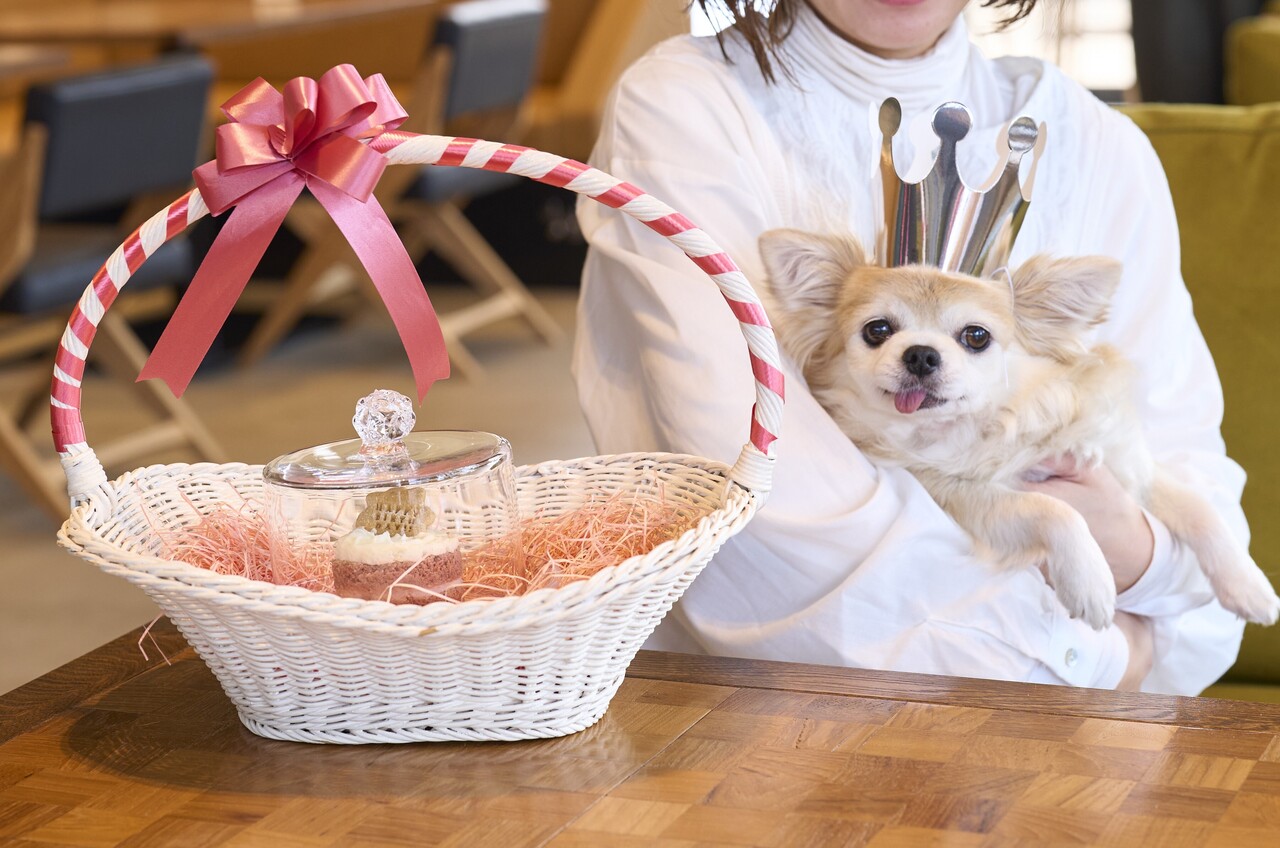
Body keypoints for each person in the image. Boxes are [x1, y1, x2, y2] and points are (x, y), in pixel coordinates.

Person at [572, 0, 1248, 693]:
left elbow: (1194, 509)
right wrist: (1104, 659)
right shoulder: (685, 111)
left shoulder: (1097, 142)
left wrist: (1139, 558)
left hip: (1082, 741)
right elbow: (772, 518)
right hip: (781, 719)